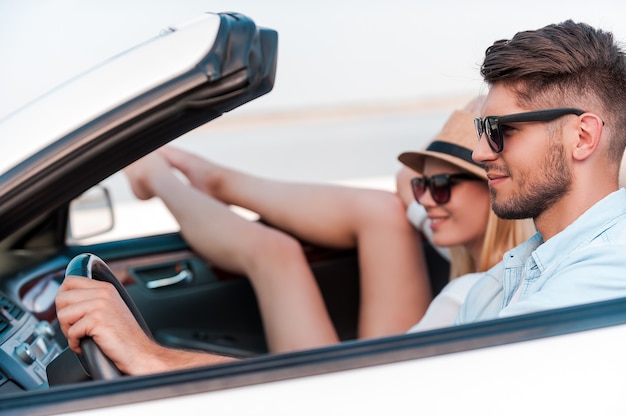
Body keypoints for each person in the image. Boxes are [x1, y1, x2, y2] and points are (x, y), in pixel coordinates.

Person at [55, 95, 534, 375]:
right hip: (377, 369)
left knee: (274, 253)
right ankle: (210, 178)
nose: (426, 198)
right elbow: (394, 195)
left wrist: (149, 357)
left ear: (496, 186)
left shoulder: (469, 298)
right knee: (380, 214)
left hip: (356, 387)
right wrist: (424, 192)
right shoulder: (454, 231)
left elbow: (355, 398)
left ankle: (160, 179)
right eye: (422, 182)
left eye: (443, 185)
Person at [454, 19, 626, 323]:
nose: (479, 152)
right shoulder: (492, 288)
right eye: (482, 128)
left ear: (583, 137)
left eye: (500, 129)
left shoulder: (613, 267)